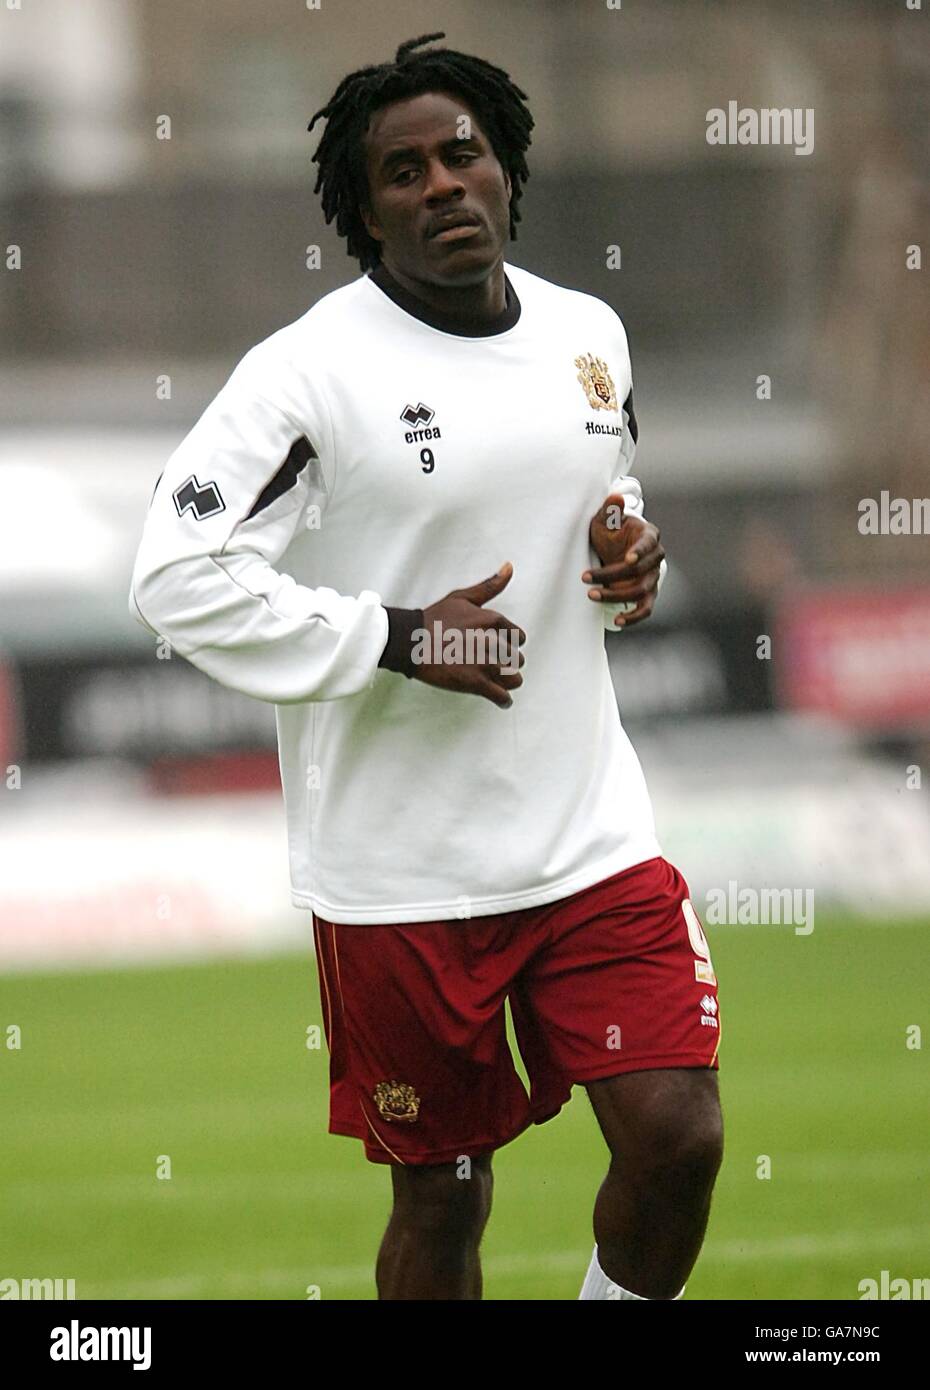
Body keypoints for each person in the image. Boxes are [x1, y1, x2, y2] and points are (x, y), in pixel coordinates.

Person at [128, 31, 723, 1302]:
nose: (443, 183)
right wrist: (398, 637)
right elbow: (175, 576)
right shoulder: (303, 375)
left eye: (464, 154)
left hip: (590, 841)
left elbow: (606, 505)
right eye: (404, 173)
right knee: (444, 1200)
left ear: (507, 167)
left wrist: (629, 564)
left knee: (680, 1140)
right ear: (363, 212)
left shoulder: (590, 333)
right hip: (399, 873)